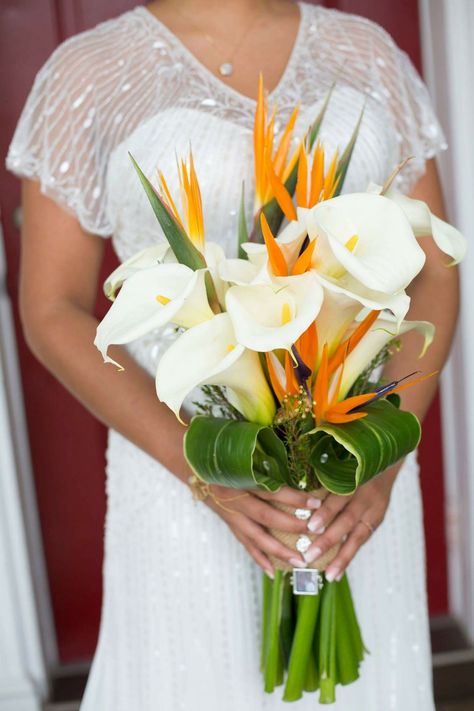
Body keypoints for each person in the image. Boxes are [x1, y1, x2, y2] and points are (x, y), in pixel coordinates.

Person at [6, 1, 459, 709]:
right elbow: (50, 309)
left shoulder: (364, 53)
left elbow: (435, 270)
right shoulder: (86, 74)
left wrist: (384, 449)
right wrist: (202, 461)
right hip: (182, 462)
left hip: (353, 465)